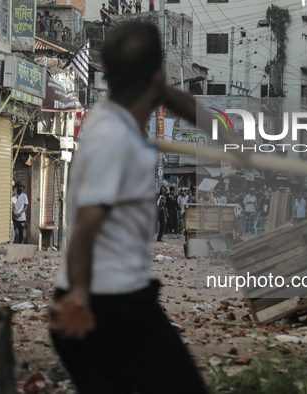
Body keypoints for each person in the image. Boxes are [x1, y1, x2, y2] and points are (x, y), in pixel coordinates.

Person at [47, 21, 251, 394]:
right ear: (156, 76)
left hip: (106, 300)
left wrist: (226, 137)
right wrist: (78, 297)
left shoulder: (114, 112)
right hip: (107, 306)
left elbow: (174, 98)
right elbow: (87, 224)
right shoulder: (114, 138)